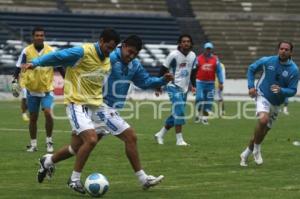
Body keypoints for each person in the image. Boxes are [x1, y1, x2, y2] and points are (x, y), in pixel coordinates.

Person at [22, 28, 121, 194]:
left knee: (76, 148)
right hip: (77, 104)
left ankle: (47, 162)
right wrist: (37, 63)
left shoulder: (108, 59)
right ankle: (74, 180)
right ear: (101, 41)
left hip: (95, 106)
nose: (109, 52)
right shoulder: (83, 51)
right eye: (108, 47)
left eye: (112, 49)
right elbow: (58, 56)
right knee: (90, 140)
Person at [240, 41, 299, 167]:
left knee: (262, 131)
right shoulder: (267, 61)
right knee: (263, 120)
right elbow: (251, 69)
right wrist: (251, 86)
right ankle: (257, 150)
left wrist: (281, 90)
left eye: (286, 49)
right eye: (281, 48)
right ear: (278, 49)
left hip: (277, 104)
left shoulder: (294, 70)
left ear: (291, 52)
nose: (283, 51)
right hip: (262, 95)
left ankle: (245, 154)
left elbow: (293, 91)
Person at [18, 27, 59, 153]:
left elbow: (59, 67)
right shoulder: (26, 51)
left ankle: (49, 141)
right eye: (37, 35)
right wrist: (16, 79)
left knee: (47, 112)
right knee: (33, 118)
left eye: (41, 35)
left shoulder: (51, 50)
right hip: (32, 90)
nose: (40, 37)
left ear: (44, 37)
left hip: (47, 90)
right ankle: (33, 144)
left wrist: (68, 80)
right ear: (33, 37)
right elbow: (20, 67)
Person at [154, 34, 197, 146]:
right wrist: (158, 86)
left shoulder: (193, 55)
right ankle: (179, 139)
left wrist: (194, 85)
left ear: (191, 43)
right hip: (173, 86)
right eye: (183, 41)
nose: (186, 43)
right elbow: (162, 70)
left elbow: (193, 72)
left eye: (188, 41)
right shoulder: (173, 55)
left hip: (184, 89)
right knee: (180, 111)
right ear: (179, 43)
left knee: (176, 113)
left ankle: (160, 134)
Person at [194, 42, 224, 125]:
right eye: (207, 48)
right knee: (199, 98)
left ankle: (205, 118)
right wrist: (192, 82)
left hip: (211, 83)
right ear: (204, 49)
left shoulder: (215, 59)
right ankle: (198, 111)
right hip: (200, 82)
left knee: (209, 100)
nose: (208, 50)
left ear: (211, 49)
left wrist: (221, 82)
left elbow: (219, 71)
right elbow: (194, 70)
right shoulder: (198, 58)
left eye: (209, 49)